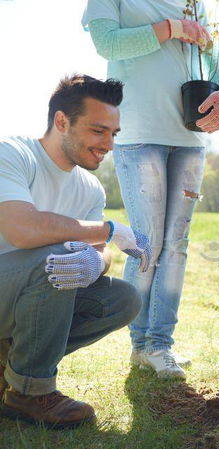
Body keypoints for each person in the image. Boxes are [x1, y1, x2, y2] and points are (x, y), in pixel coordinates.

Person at [82, 0, 219, 379]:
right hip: (139, 133)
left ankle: (160, 343)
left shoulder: (196, 2)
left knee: (177, 244)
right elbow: (107, 44)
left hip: (190, 137)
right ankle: (140, 344)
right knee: (147, 242)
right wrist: (171, 29)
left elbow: (214, 61)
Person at [0, 75, 150, 428]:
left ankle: (11, 370)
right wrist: (109, 230)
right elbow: (22, 230)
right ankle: (30, 394)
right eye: (98, 131)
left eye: (114, 134)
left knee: (123, 298)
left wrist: (97, 260)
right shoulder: (13, 154)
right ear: (62, 121)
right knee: (57, 260)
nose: (108, 144)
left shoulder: (90, 189)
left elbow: (97, 251)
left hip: (26, 291)